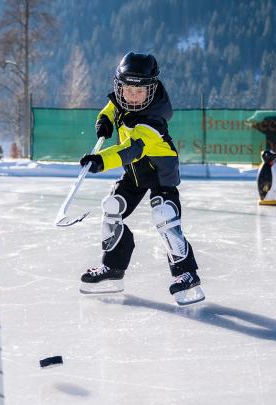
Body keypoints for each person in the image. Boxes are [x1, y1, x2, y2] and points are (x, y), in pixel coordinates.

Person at [78, 51, 204, 305]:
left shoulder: (154, 119)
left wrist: (101, 161)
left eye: (140, 92)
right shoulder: (121, 100)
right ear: (119, 86)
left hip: (160, 173)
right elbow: (111, 107)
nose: (133, 98)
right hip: (134, 173)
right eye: (128, 91)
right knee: (112, 210)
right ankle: (113, 269)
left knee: (165, 217)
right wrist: (103, 121)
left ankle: (187, 274)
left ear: (151, 90)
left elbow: (131, 149)